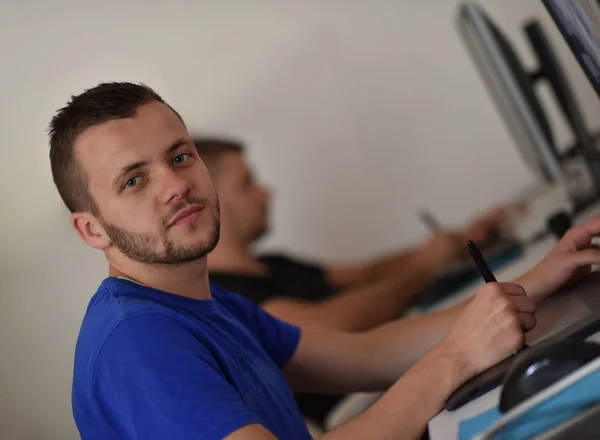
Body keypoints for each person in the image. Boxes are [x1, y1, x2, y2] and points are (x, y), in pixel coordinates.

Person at [51, 81, 600, 440]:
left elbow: (371, 354)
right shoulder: (137, 343)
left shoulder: (205, 301)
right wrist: (456, 357)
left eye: (180, 156)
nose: (175, 184)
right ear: (91, 228)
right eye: (134, 179)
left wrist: (539, 277)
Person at [199, 137, 523, 331]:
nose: (265, 192)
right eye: (247, 184)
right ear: (210, 200)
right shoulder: (223, 294)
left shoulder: (274, 264)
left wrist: (457, 242)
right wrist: (424, 266)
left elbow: (367, 274)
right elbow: (330, 327)